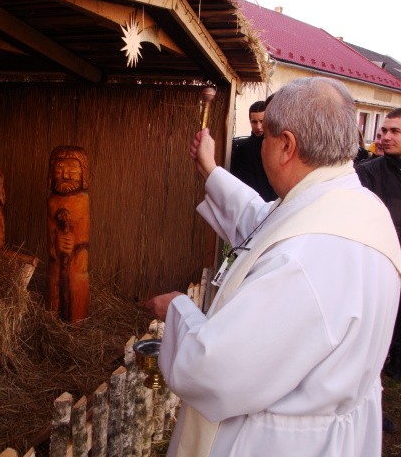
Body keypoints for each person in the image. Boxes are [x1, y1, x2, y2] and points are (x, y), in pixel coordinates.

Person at [146, 77, 401, 456]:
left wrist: (177, 310)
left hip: (272, 442)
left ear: (286, 145)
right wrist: (211, 171)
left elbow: (215, 369)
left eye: (265, 136)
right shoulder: (354, 207)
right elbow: (267, 225)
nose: (260, 144)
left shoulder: (305, 259)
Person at [356, 109, 401, 380]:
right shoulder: (366, 173)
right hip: (380, 266)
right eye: (383, 131)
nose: (385, 137)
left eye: (395, 131)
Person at [47, 145, 90, 323]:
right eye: (59, 169)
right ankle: (51, 319)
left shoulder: (82, 200)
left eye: (72, 170)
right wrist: (55, 241)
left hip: (78, 253)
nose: (65, 175)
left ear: (83, 173)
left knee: (76, 278)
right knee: (53, 278)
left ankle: (77, 321)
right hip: (56, 254)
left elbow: (84, 231)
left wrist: (77, 244)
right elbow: (51, 227)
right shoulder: (52, 200)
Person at [230, 100, 278, 201]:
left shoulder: (278, 145)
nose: (258, 127)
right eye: (254, 122)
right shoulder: (243, 150)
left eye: (262, 121)